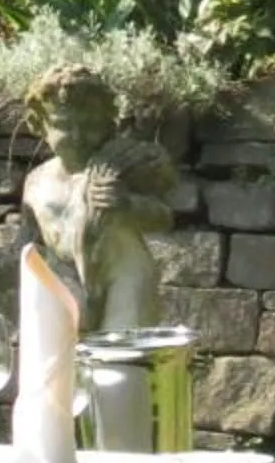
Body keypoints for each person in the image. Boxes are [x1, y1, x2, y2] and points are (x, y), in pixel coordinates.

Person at [18, 62, 176, 337]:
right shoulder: (36, 183)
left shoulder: (119, 167)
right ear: (38, 124)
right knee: (65, 372)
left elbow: (164, 218)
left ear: (107, 124)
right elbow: (31, 247)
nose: (78, 136)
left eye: (90, 125)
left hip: (125, 280)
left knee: (119, 369)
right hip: (67, 284)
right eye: (64, 126)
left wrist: (127, 204)